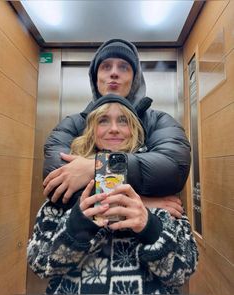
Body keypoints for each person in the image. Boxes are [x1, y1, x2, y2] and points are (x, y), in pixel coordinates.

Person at [28, 94, 198, 294]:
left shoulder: (159, 185)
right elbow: (39, 263)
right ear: (92, 131)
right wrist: (79, 223)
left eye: (124, 121)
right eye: (103, 120)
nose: (114, 128)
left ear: (134, 129)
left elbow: (184, 270)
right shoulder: (69, 180)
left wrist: (149, 226)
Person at [42, 39, 191, 216]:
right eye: (106, 66)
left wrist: (94, 168)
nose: (114, 73)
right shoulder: (72, 125)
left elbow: (172, 169)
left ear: (135, 78)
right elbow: (57, 182)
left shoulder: (158, 121)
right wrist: (143, 202)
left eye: (123, 67)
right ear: (95, 77)